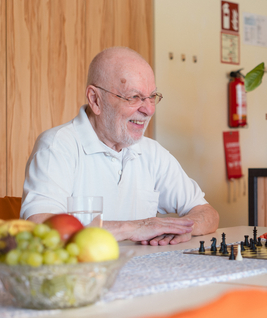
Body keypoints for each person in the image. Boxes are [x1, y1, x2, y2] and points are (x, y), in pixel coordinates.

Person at [21, 47, 219, 245]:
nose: (149, 109)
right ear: (95, 99)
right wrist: (136, 227)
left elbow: (207, 213)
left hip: (143, 273)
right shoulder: (57, 146)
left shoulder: (152, 152)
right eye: (133, 97)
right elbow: (40, 227)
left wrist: (179, 228)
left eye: (152, 96)